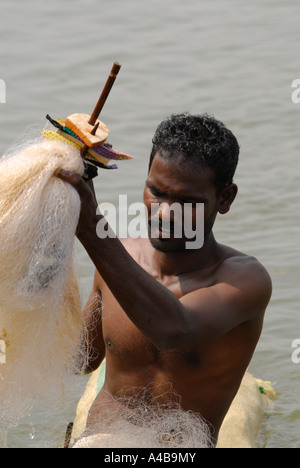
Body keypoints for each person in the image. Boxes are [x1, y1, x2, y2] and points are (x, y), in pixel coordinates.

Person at [58, 113, 272, 447]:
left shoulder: (244, 280)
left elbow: (173, 330)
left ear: (225, 198)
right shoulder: (118, 260)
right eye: (156, 191)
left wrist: (90, 230)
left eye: (187, 201)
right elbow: (79, 360)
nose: (165, 213)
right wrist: (46, 278)